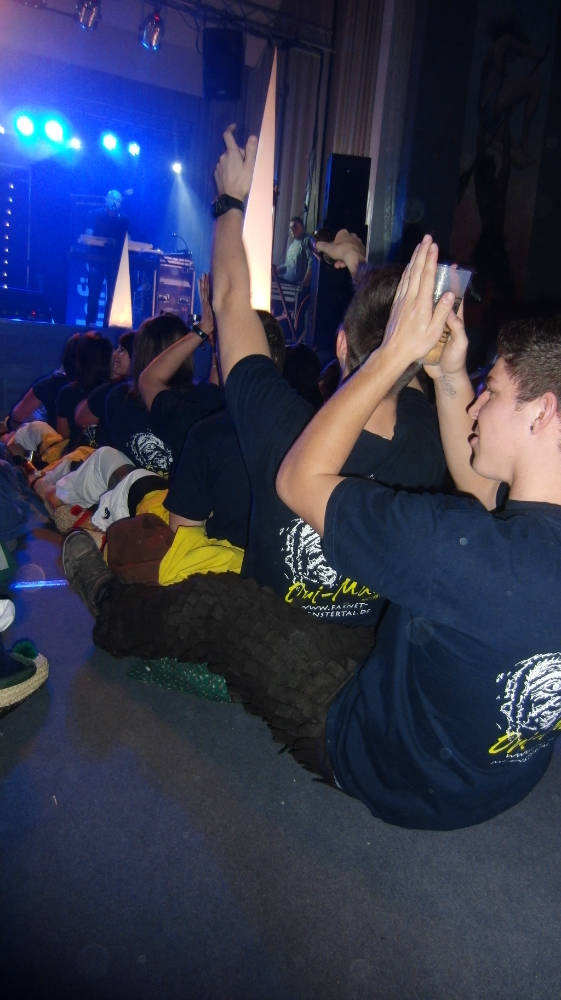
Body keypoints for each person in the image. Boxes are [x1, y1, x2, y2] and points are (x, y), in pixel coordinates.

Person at [274, 233, 561, 829]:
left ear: (543, 411)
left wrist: (387, 357)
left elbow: (299, 480)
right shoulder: (516, 540)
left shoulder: (456, 548)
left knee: (227, 614)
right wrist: (449, 376)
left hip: (402, 778)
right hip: (505, 780)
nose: (476, 407)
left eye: (491, 392)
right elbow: (480, 488)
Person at [84, 189, 129, 327]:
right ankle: (90, 323)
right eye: (113, 199)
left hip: (114, 261)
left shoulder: (123, 219)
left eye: (118, 200)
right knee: (94, 293)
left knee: (112, 296)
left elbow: (128, 238)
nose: (115, 202)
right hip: (96, 259)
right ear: (106, 199)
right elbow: (88, 235)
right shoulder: (94, 214)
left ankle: (107, 325)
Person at [276, 217, 313, 288]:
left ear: (302, 227)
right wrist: (276, 270)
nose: (292, 230)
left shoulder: (307, 240)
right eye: (290, 228)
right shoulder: (293, 244)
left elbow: (311, 263)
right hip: (286, 282)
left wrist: (304, 283)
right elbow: (287, 265)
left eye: (295, 227)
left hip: (296, 286)